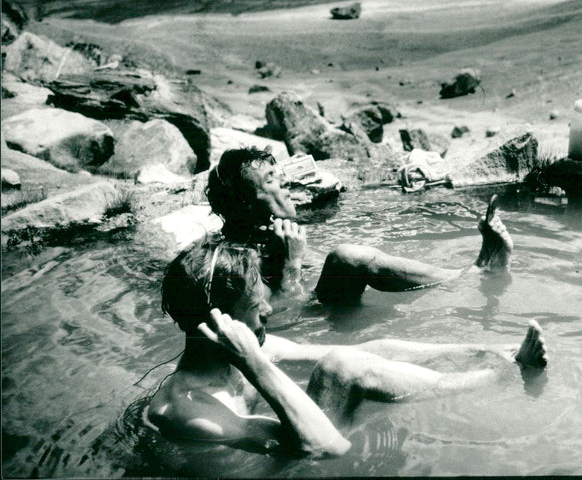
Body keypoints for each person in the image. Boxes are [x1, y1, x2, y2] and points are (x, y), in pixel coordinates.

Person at [147, 240, 548, 455]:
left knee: (350, 356)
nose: (269, 310)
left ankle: (501, 361)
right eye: (256, 306)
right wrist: (256, 364)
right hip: (302, 462)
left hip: (307, 441)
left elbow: (376, 349)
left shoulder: (243, 350)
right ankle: (494, 380)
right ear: (221, 323)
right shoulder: (186, 410)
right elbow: (325, 449)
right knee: (343, 366)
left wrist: (489, 346)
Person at [203, 147, 514, 306]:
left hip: (316, 307)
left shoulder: (271, 233)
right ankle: (470, 276)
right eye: (271, 180)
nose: (285, 185)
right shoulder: (235, 259)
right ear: (244, 203)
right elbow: (278, 319)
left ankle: (467, 275)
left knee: (345, 258)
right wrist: (293, 263)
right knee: (346, 257)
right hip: (305, 322)